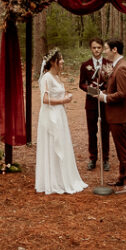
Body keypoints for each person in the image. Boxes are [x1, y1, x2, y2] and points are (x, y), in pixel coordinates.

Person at [35, 49, 88, 195]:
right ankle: (53, 180)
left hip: (59, 114)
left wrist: (66, 96)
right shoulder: (46, 78)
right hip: (50, 115)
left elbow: (57, 93)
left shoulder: (57, 77)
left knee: (61, 144)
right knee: (53, 144)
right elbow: (45, 99)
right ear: (53, 62)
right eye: (61, 58)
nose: (63, 61)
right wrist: (63, 100)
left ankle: (61, 176)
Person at [92, 38, 126, 194]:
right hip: (116, 115)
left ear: (114, 49)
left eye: (106, 49)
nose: (104, 52)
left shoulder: (122, 68)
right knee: (120, 148)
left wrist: (104, 98)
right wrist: (103, 92)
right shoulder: (117, 66)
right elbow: (116, 89)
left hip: (120, 115)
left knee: (124, 150)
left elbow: (122, 93)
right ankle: (122, 177)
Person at [78, 38, 110, 171]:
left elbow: (112, 81)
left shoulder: (109, 63)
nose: (96, 50)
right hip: (91, 102)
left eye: (99, 47)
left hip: (105, 102)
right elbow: (81, 84)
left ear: (102, 48)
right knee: (92, 131)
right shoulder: (85, 65)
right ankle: (92, 158)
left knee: (105, 131)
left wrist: (105, 91)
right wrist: (92, 91)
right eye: (94, 48)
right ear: (91, 49)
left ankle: (106, 159)